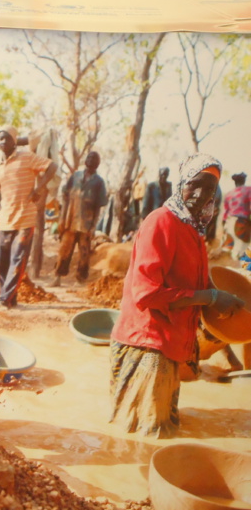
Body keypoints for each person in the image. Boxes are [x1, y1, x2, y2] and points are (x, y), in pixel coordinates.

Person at [109, 153, 244, 438]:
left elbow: (196, 280)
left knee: (165, 431)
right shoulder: (162, 222)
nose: (200, 193)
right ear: (180, 183)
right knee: (145, 436)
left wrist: (219, 296)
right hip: (147, 343)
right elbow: (146, 294)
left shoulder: (193, 230)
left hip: (170, 342)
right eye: (194, 184)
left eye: (209, 188)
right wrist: (209, 298)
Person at [0, 125, 57, 309]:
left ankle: (4, 299)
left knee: (18, 259)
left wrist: (39, 187)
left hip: (25, 217)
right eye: (0, 138)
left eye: (6, 138)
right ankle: (10, 298)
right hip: (6, 220)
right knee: (3, 262)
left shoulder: (26, 157)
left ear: (14, 141)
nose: (2, 142)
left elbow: (52, 166)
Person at [52, 151, 108, 287]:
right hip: (70, 221)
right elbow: (65, 197)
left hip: (86, 223)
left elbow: (98, 207)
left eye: (94, 158)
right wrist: (62, 219)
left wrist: (94, 226)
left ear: (98, 163)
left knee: (84, 253)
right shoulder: (75, 176)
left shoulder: (99, 182)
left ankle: (80, 279)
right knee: (64, 249)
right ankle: (58, 277)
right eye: (89, 157)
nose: (90, 160)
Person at [222, 172, 251, 259]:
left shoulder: (229, 193)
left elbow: (225, 212)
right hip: (242, 223)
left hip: (229, 222)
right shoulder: (248, 190)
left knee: (230, 249)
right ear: (244, 180)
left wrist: (224, 225)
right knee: (242, 250)